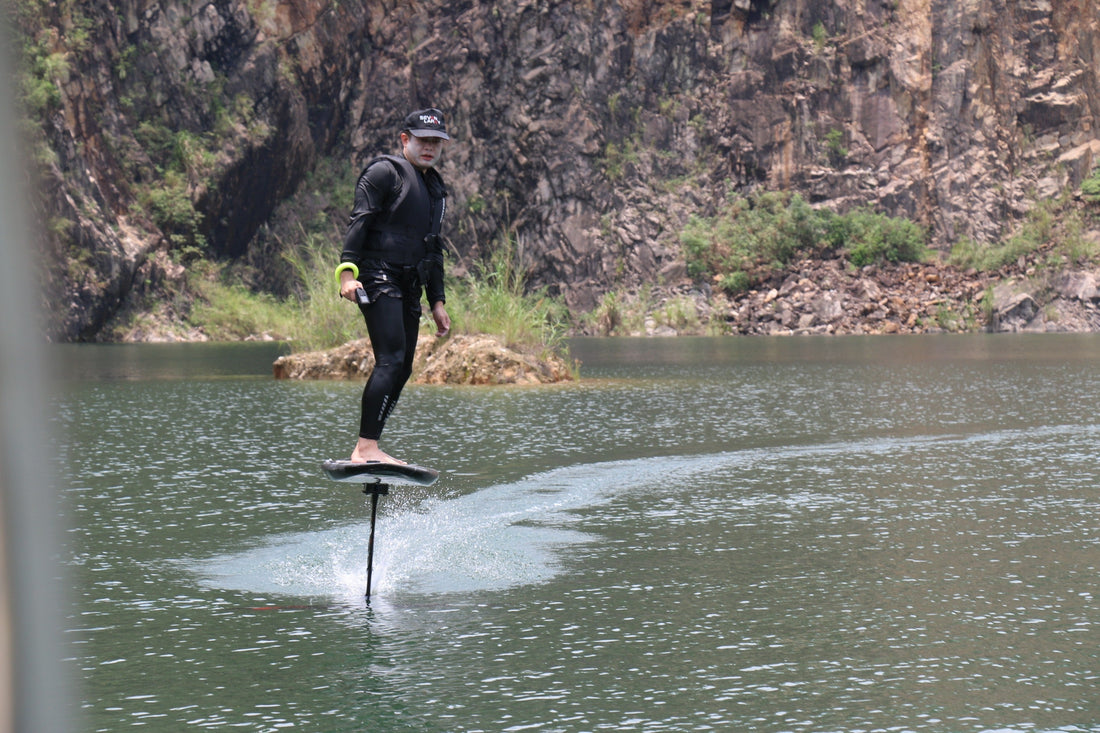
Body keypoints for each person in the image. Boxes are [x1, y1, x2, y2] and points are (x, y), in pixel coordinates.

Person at [335, 108, 452, 464]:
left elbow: (433, 247)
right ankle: (365, 448)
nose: (429, 148)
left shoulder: (435, 188)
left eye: (436, 142)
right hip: (377, 275)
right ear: (406, 140)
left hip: (410, 283)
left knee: (403, 368)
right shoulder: (384, 172)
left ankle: (370, 446)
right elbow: (360, 221)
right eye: (422, 140)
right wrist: (347, 276)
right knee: (390, 360)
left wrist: (437, 301)